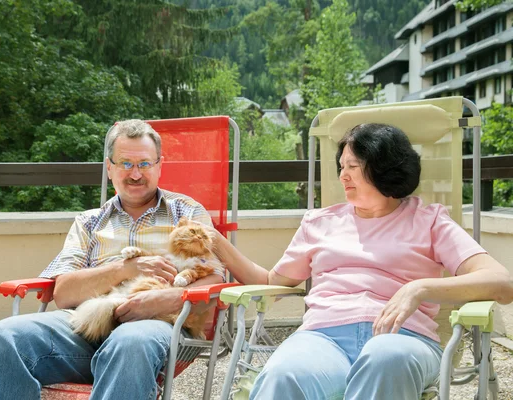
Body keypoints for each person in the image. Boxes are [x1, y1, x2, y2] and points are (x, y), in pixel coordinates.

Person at [204, 123, 513, 400]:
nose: (342, 176)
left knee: (385, 358)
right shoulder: (320, 223)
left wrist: (419, 289)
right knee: (283, 374)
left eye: (353, 165)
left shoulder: (429, 221)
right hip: (323, 339)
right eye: (341, 166)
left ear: (384, 168)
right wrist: (216, 242)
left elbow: (502, 283)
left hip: (401, 338)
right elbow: (273, 282)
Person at [0, 119, 224, 400]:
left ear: (159, 166)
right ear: (109, 167)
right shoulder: (89, 222)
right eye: (126, 164)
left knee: (129, 343)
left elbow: (213, 278)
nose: (136, 174)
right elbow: (64, 294)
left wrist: (163, 300)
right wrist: (125, 269)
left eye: (144, 164)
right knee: (2, 337)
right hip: (84, 326)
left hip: (154, 325)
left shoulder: (186, 212)